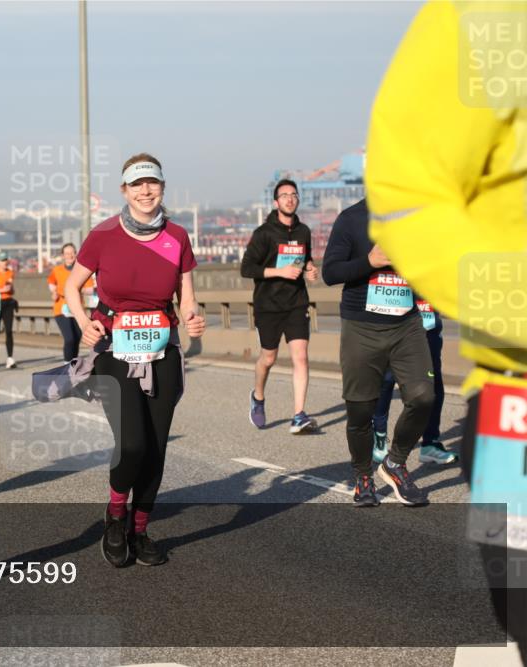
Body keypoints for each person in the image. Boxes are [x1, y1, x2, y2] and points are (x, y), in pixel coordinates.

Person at [365, 0, 525, 657]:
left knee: (424, 396)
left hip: (426, 326)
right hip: (512, 385)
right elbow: (406, 196)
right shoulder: (485, 14)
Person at [64, 153, 206, 568]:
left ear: (162, 187)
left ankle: (140, 529)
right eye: (137, 184)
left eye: (153, 183)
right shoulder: (103, 235)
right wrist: (83, 324)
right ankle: (114, 515)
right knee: (133, 444)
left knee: (156, 449)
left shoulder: (177, 237)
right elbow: (73, 287)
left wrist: (195, 318)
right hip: (115, 352)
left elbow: (188, 295)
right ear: (124, 190)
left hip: (162, 351)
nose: (146, 191)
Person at [322, 198, 433, 507]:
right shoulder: (351, 218)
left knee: (423, 396)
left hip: (406, 325)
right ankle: (363, 475)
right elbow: (330, 272)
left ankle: (395, 464)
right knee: (361, 411)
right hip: (362, 327)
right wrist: (369, 261)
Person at [240, 179, 320, 433]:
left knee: (301, 358)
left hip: (297, 303)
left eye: (294, 194)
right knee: (268, 358)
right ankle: (258, 397)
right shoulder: (264, 233)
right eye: (284, 195)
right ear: (276, 202)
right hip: (268, 305)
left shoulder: (303, 231)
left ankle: (299, 415)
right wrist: (279, 272)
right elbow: (247, 268)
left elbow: (305, 259)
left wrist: (309, 269)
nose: (290, 198)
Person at [371, 301, 457, 465]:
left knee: (433, 383)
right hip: (395, 319)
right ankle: (379, 438)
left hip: (427, 321)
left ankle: (430, 443)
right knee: (387, 380)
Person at [48, 243, 94, 362]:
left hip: (77, 308)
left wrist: (78, 289)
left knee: (77, 337)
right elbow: (51, 282)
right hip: (61, 308)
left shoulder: (82, 270)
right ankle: (67, 364)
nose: (70, 255)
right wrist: (53, 291)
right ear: (63, 255)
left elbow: (90, 289)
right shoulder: (57, 270)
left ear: (76, 254)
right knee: (69, 338)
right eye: (67, 253)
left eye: (72, 252)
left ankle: (73, 363)